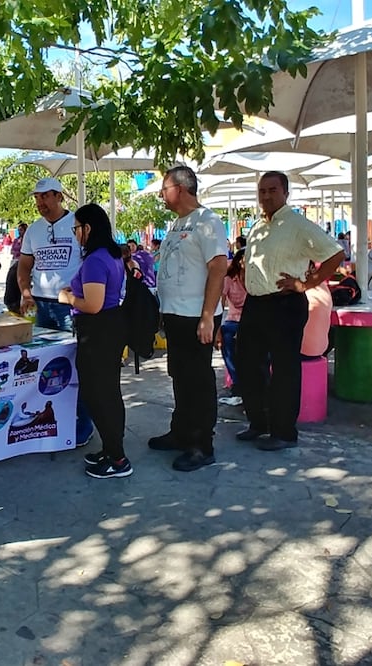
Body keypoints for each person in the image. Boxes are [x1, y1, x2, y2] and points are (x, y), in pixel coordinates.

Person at [236, 172, 344, 451]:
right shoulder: (258, 225)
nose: (266, 196)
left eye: (272, 190)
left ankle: (283, 432)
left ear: (285, 192)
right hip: (255, 303)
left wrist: (306, 283)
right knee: (248, 364)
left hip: (284, 304)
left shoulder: (298, 224)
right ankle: (258, 423)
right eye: (262, 191)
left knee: (284, 369)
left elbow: (335, 254)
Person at [150, 166, 227, 472]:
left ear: (180, 189)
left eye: (164, 188)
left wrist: (208, 316)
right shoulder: (176, 224)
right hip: (175, 315)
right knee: (180, 377)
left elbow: (219, 267)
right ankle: (180, 432)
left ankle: (201, 445)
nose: (161, 194)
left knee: (198, 380)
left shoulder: (207, 221)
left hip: (198, 315)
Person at [15, 177, 94, 445]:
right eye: (37, 198)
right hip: (40, 305)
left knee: (76, 364)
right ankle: (50, 416)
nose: (40, 203)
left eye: (45, 196)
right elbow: (24, 266)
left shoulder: (77, 225)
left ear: (59, 196)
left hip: (69, 305)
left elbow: (91, 261)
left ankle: (83, 421)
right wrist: (25, 292)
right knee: (46, 366)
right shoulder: (33, 231)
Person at [57, 204, 129, 478]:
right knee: (107, 392)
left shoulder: (96, 260)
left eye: (76, 228)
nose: (75, 233)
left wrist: (68, 298)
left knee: (99, 395)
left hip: (98, 331)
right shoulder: (110, 255)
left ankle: (118, 459)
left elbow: (94, 304)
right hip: (108, 329)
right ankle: (112, 448)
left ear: (88, 228)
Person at [218, 250, 247, 407]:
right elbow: (220, 304)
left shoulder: (256, 279)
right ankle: (238, 386)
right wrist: (216, 329)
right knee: (227, 336)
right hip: (234, 321)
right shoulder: (229, 279)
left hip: (252, 322)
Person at [3, 222, 28, 312]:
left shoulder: (28, 240)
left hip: (25, 262)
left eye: (21, 230)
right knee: (13, 280)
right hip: (16, 261)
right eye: (19, 230)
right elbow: (13, 250)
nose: (20, 232)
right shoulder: (16, 240)